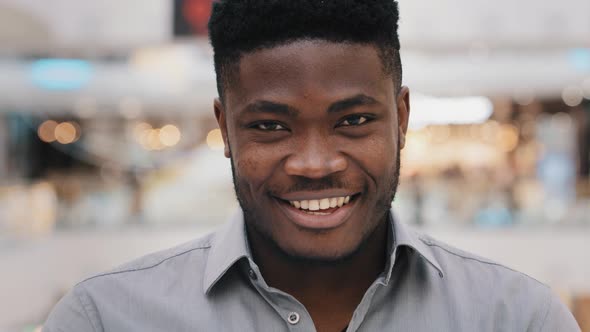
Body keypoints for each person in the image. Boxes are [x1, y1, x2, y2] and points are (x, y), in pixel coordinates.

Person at [43, 1, 581, 331]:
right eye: (271, 127)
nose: (315, 164)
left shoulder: (517, 318)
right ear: (225, 128)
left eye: (353, 121)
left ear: (401, 117)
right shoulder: (104, 320)